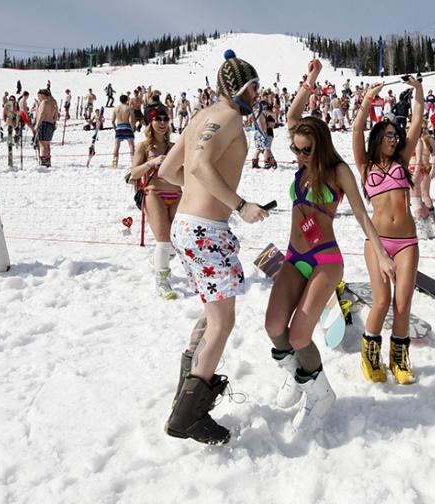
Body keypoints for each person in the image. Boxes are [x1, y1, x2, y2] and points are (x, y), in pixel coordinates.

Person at [264, 59, 395, 429]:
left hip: (324, 259)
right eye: (296, 151)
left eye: (306, 151)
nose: (300, 156)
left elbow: (362, 216)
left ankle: (321, 395)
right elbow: (292, 114)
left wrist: (382, 254)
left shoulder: (338, 172)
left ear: (319, 146)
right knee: (275, 326)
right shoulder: (301, 154)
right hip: (294, 255)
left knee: (299, 334)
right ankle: (297, 376)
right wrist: (311, 79)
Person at [157, 50, 270, 445]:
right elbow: (202, 164)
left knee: (211, 316)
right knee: (223, 322)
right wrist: (239, 205)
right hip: (206, 229)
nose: (259, 94)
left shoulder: (200, 117)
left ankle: (183, 398)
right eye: (255, 87)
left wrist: (197, 199)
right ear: (239, 87)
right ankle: (190, 415)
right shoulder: (227, 117)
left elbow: (169, 171)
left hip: (189, 226)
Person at [352, 76, 426, 384]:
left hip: (407, 241)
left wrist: (418, 91)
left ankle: (399, 361)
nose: (395, 140)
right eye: (389, 135)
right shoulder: (365, 165)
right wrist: (369, 98)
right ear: (378, 138)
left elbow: (418, 121)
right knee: (381, 300)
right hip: (378, 241)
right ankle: (370, 358)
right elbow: (357, 130)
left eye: (396, 135)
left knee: (403, 303)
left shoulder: (401, 160)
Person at [130, 103, 181, 300]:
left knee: (178, 239)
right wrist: (151, 162)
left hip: (177, 194)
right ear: (150, 122)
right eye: (157, 119)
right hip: (154, 194)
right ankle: (162, 281)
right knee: (163, 238)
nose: (162, 122)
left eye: (165, 119)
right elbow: (133, 173)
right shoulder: (143, 146)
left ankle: (159, 259)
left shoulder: (174, 146)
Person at [410, 125, 435, 238]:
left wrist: (433, 169)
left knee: (423, 196)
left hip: (422, 169)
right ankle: (428, 221)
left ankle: (429, 221)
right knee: (418, 198)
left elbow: (434, 155)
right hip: (417, 169)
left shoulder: (426, 140)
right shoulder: (416, 141)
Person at [34, 89, 58, 167]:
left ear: (42, 95)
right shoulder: (53, 103)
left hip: (44, 123)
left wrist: (37, 124)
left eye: (39, 95)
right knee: (47, 144)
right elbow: (56, 117)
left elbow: (42, 114)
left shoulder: (44, 102)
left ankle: (44, 162)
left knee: (42, 144)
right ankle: (47, 160)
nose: (38, 97)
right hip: (50, 124)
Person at [111, 95, 136, 169]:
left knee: (116, 145)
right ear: (126, 100)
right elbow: (133, 120)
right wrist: (132, 129)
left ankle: (115, 161)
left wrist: (116, 129)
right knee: (131, 145)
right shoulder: (129, 108)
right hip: (127, 126)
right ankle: (133, 161)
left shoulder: (116, 108)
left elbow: (112, 121)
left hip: (119, 127)